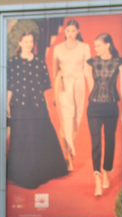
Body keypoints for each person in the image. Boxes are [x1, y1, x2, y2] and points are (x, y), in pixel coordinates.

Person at [6, 23, 68, 189]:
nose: (29, 45)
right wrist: (7, 105)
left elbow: (44, 87)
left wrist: (47, 106)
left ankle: (41, 172)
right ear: (20, 43)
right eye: (25, 42)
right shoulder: (12, 63)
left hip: (37, 105)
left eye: (31, 42)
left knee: (39, 136)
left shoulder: (40, 62)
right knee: (21, 138)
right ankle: (21, 174)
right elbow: (10, 86)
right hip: (20, 105)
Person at [86, 33, 122, 198]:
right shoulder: (91, 62)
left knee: (110, 140)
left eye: (99, 45)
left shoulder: (119, 62)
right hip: (94, 106)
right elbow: (89, 82)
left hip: (111, 106)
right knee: (96, 141)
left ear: (108, 45)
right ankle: (97, 177)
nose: (96, 49)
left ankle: (106, 171)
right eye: (95, 46)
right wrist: (94, 99)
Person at [52, 19, 91, 173]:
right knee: (65, 122)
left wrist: (93, 90)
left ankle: (71, 154)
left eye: (73, 31)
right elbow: (55, 71)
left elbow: (88, 71)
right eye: (67, 31)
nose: (70, 34)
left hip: (78, 86)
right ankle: (68, 157)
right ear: (64, 32)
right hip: (61, 86)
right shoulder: (58, 48)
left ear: (78, 31)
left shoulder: (84, 47)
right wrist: (55, 95)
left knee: (75, 122)